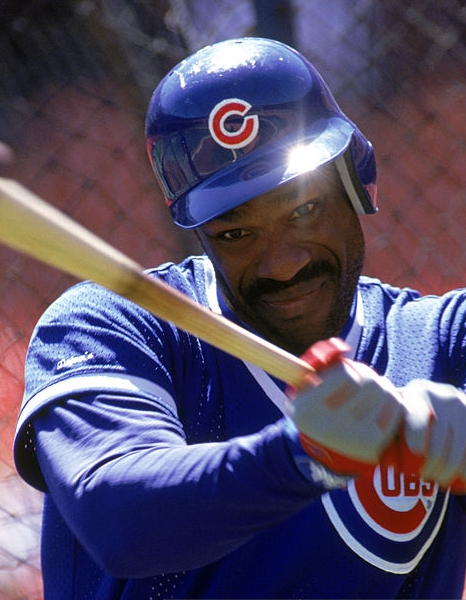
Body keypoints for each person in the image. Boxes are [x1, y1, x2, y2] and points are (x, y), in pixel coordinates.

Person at [14, 37, 466, 599]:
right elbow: (120, 519)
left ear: (355, 180)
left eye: (305, 209)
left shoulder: (441, 338)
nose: (283, 263)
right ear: (201, 235)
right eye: (236, 233)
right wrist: (306, 456)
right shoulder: (113, 327)